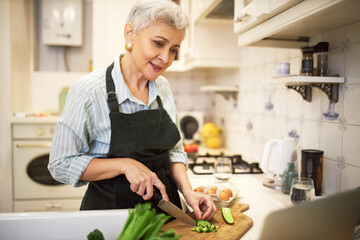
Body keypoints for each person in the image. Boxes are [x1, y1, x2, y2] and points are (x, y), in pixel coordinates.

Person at [48, 0, 217, 220]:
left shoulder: (163, 87)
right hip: (111, 219)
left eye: (173, 50)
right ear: (130, 33)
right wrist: (124, 165)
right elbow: (60, 164)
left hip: (167, 216)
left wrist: (188, 191)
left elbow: (174, 151)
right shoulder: (89, 91)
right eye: (158, 43)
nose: (166, 58)